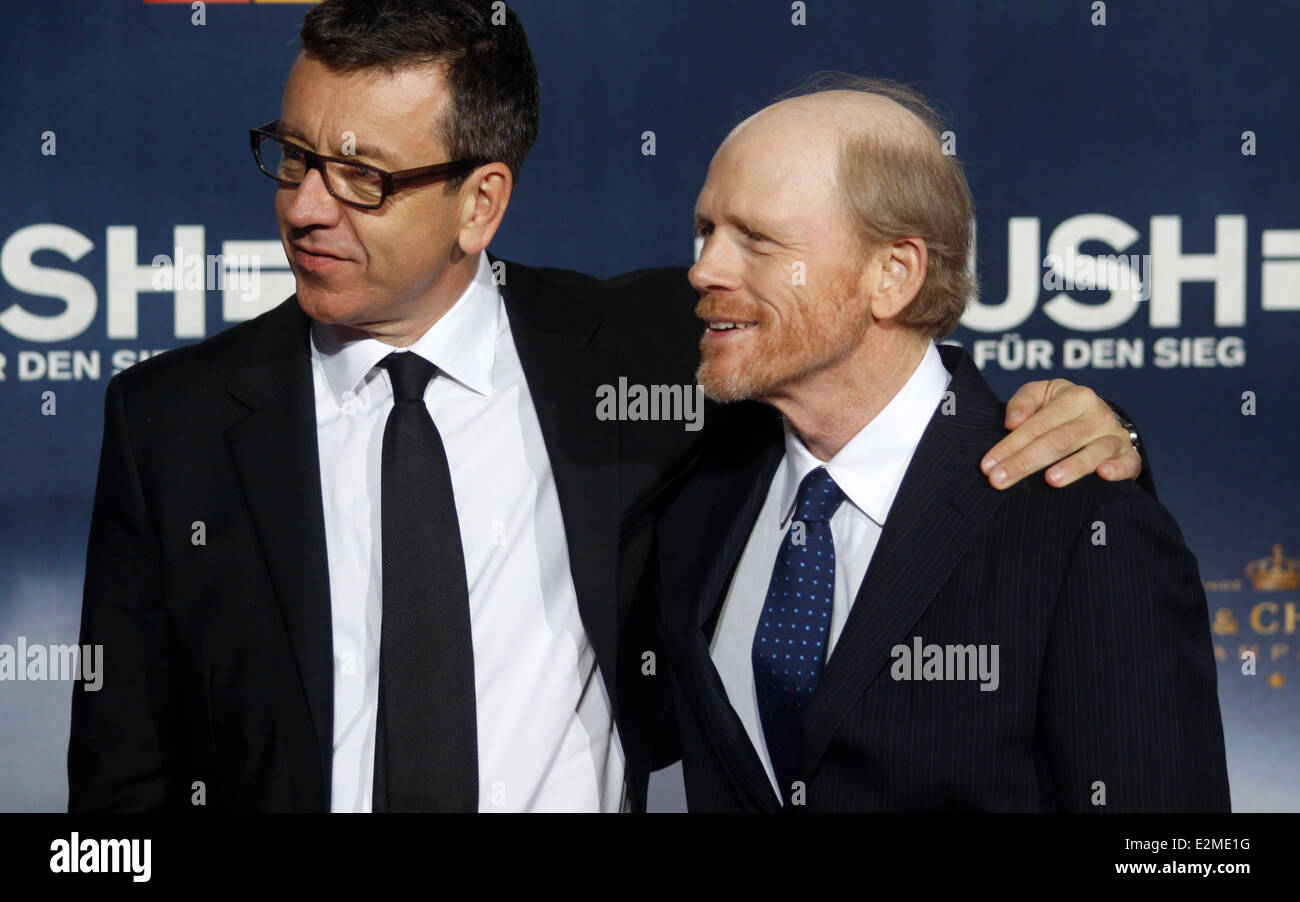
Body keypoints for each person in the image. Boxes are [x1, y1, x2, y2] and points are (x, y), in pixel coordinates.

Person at [69, 0, 1149, 813]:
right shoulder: (172, 422)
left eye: (361, 178)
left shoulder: (656, 351)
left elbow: (854, 348)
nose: (304, 205)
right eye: (293, 157)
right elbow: (120, 790)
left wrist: (1071, 419)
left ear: (479, 201)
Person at [654, 78, 1230, 812]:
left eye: (757, 240)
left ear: (892, 274)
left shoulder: (1081, 528)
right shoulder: (695, 481)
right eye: (706, 230)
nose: (705, 269)